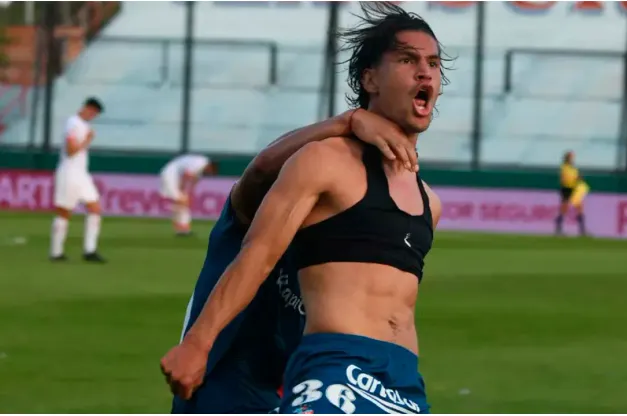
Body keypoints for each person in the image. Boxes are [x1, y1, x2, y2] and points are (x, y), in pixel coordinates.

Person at [160, 3, 445, 414]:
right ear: (370, 78)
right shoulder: (323, 160)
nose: (425, 72)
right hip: (330, 369)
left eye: (433, 63)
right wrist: (198, 344)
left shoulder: (429, 203)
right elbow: (254, 248)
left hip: (403, 383)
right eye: (407, 60)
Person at [170, 107, 418, 414]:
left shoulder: (357, 241)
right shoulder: (262, 210)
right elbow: (261, 171)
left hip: (296, 384)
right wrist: (344, 122)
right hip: (222, 373)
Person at [50, 97, 106, 263]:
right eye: (93, 112)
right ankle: (56, 252)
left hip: (81, 174)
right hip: (69, 173)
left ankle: (90, 250)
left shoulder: (84, 125)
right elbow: (71, 150)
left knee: (95, 208)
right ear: (87, 108)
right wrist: (87, 140)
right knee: (64, 212)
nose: (93, 116)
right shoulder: (73, 123)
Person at [159, 154, 219, 236]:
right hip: (171, 174)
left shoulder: (201, 168)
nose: (209, 173)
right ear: (210, 166)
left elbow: (194, 180)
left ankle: (182, 228)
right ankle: (181, 227)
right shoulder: (200, 163)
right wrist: (182, 189)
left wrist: (189, 193)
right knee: (181, 201)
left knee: (182, 202)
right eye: (210, 171)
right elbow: (186, 175)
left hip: (176, 175)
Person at [555, 150, 589, 236]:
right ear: (567, 158)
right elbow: (563, 178)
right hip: (567, 188)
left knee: (579, 207)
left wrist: (580, 179)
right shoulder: (564, 167)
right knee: (564, 208)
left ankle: (582, 229)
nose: (572, 159)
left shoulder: (574, 168)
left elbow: (576, 176)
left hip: (574, 188)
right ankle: (559, 228)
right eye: (571, 157)